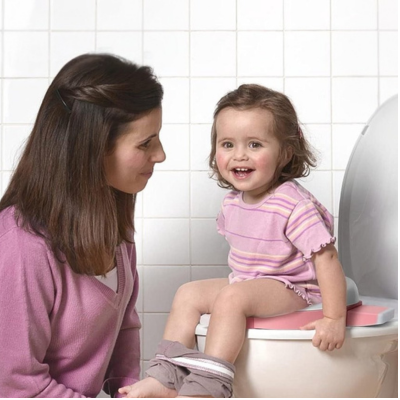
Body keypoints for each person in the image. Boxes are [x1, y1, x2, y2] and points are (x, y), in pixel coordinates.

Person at [120, 84, 347, 398]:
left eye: (255, 144)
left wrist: (334, 318)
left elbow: (327, 259)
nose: (240, 155)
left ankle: (209, 386)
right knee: (188, 293)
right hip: (248, 283)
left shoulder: (294, 204)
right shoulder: (232, 202)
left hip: (294, 288)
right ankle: (167, 376)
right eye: (228, 144)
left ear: (286, 151)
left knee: (232, 299)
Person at [0, 53, 166, 397]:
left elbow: (122, 328)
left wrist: (132, 391)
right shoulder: (21, 245)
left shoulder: (116, 231)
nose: (160, 155)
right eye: (145, 143)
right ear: (93, 149)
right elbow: (14, 385)